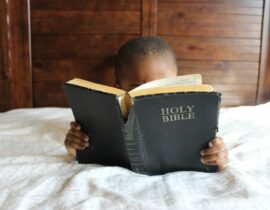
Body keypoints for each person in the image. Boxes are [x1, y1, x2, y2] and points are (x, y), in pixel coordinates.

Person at [64, 36, 228, 170]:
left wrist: (217, 155)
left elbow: (212, 151)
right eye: (137, 87)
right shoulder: (104, 118)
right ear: (118, 87)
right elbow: (81, 151)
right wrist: (74, 146)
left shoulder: (191, 114)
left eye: (162, 86)